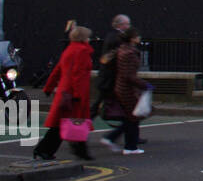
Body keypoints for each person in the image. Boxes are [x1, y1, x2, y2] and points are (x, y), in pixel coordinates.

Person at [33, 25, 94, 161]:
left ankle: (45, 150)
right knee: (74, 122)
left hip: (65, 91)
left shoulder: (69, 50)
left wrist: (48, 87)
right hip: (74, 93)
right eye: (88, 36)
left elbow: (58, 70)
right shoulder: (82, 51)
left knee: (62, 124)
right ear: (83, 38)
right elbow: (77, 74)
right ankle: (47, 150)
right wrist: (78, 95)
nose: (90, 39)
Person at [100, 28, 150, 154]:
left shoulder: (123, 49)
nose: (139, 37)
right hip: (127, 89)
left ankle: (127, 145)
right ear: (132, 38)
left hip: (122, 87)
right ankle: (127, 145)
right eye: (137, 35)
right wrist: (144, 85)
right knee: (133, 117)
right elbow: (129, 75)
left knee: (130, 117)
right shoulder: (129, 53)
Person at [93, 13, 131, 121]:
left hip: (109, 79)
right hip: (110, 79)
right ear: (119, 25)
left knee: (124, 106)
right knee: (98, 106)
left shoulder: (113, 36)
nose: (128, 26)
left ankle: (127, 132)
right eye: (127, 24)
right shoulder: (117, 38)